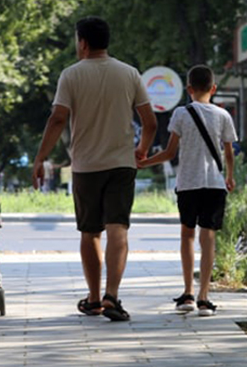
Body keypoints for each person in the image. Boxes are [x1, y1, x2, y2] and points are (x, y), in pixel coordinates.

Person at [33, 17, 156, 322]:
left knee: (90, 233)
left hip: (86, 166)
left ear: (83, 43)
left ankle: (93, 298)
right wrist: (141, 150)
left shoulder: (71, 76)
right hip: (122, 164)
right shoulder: (129, 74)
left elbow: (58, 119)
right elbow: (150, 122)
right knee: (119, 228)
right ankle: (112, 295)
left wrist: (40, 158)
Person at [139, 65, 237, 317]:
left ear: (189, 89)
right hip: (215, 183)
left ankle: (188, 294)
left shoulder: (181, 114)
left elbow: (170, 153)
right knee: (209, 238)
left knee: (187, 236)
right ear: (213, 89)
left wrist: (143, 161)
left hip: (188, 184)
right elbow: (228, 152)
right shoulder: (223, 115)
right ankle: (205, 297)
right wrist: (229, 176)